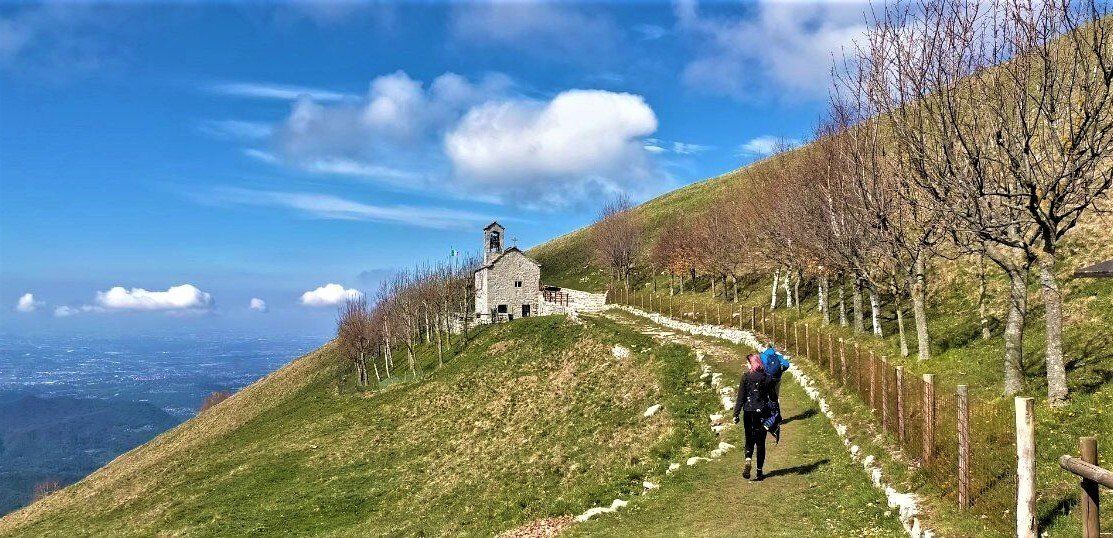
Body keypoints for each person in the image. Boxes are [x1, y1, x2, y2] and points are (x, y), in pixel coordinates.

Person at [733, 354, 775, 481]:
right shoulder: (767, 378)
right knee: (761, 442)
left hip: (748, 412)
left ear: (752, 364)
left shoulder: (746, 377)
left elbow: (740, 397)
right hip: (762, 413)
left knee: (749, 438)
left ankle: (748, 460)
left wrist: (736, 414)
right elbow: (773, 398)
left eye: (748, 363)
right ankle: (759, 471)